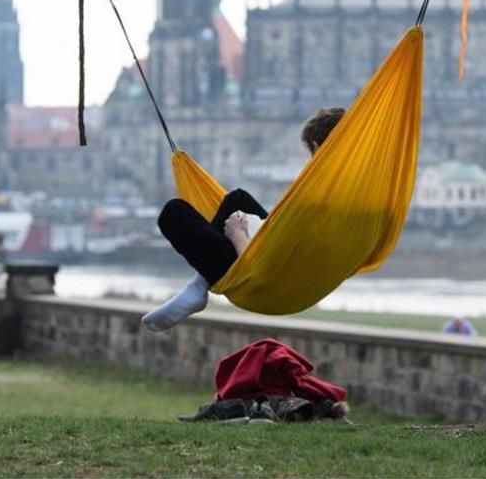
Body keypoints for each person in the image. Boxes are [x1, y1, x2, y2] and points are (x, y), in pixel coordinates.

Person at [142, 107, 346, 332]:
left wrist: (239, 237)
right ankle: (199, 284)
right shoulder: (353, 192)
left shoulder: (311, 197)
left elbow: (267, 268)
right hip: (291, 275)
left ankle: (198, 285)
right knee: (237, 199)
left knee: (174, 214)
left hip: (266, 282)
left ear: (316, 147)